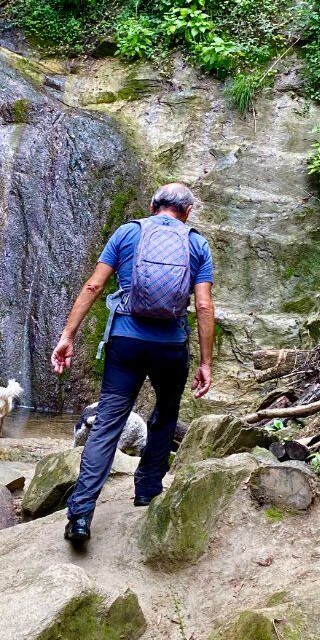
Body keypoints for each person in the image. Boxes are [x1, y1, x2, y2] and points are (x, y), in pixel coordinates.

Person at [51, 181, 215, 546]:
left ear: (152, 205)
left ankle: (80, 516)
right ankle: (147, 490)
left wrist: (68, 336)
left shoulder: (128, 233)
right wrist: (206, 362)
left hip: (125, 339)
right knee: (166, 412)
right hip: (171, 344)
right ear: (187, 212)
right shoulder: (196, 243)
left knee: (108, 421)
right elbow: (203, 306)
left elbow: (94, 287)